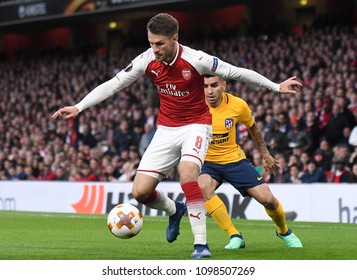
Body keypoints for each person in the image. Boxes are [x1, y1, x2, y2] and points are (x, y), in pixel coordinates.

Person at [52, 13, 302, 258]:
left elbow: (236, 72)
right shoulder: (146, 59)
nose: (155, 49)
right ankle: (175, 210)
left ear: (174, 39)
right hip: (166, 129)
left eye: (159, 44)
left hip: (196, 125)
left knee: (188, 174)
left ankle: (201, 245)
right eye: (151, 43)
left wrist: (275, 86)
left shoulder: (197, 60)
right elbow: (114, 83)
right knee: (140, 192)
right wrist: (79, 106)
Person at [198, 75, 302, 250]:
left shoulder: (238, 105)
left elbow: (253, 127)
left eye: (214, 85)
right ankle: (235, 235)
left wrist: (265, 153)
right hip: (208, 162)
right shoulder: (193, 105)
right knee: (203, 187)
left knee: (268, 199)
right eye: (205, 86)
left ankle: (284, 231)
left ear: (223, 85)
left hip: (234, 160)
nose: (209, 91)